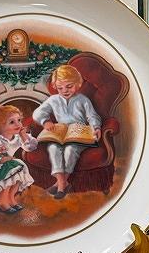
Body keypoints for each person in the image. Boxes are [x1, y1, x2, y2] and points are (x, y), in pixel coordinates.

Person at [32, 65, 101, 199]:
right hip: (60, 133)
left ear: (78, 84)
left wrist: (96, 127)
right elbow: (38, 113)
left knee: (70, 150)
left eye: (69, 86)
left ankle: (60, 185)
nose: (64, 90)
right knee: (53, 148)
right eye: (60, 88)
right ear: (55, 87)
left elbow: (92, 116)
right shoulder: (53, 100)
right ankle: (63, 183)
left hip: (78, 134)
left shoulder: (83, 100)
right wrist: (45, 121)